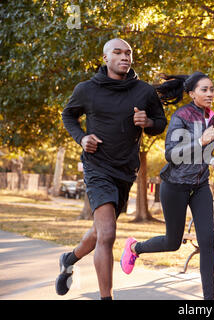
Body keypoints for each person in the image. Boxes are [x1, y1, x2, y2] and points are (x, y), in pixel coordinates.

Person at [57, 38, 167, 300]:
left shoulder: (144, 91)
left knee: (99, 232)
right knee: (108, 234)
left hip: (125, 170)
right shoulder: (87, 89)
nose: (124, 56)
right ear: (105, 58)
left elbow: (160, 122)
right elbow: (68, 115)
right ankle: (107, 298)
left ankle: (69, 258)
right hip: (97, 167)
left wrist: (148, 121)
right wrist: (82, 138)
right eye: (117, 52)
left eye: (128, 52)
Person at [120, 71, 214, 300]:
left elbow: (205, 152)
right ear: (191, 93)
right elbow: (172, 154)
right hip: (175, 185)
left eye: (211, 89)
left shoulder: (212, 117)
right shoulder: (181, 116)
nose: (210, 93)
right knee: (172, 243)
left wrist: (213, 161)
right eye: (204, 89)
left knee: (208, 242)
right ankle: (135, 248)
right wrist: (201, 140)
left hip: (200, 186)